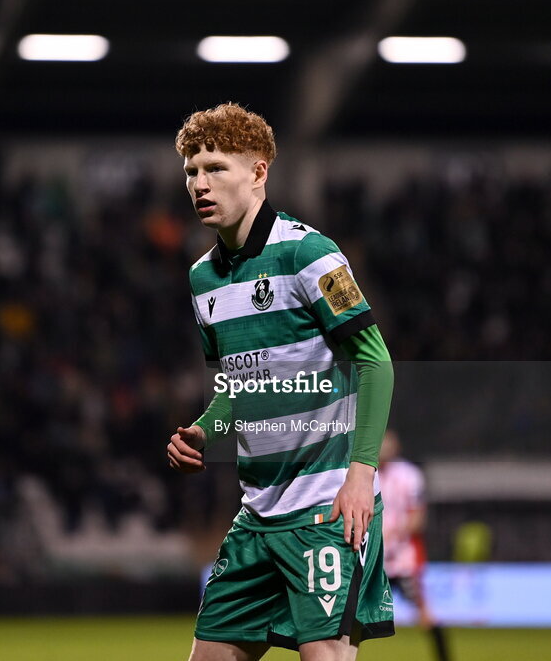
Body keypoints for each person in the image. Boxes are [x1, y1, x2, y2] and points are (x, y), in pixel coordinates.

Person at [167, 103, 395, 661]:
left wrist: (361, 474)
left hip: (327, 508)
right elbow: (240, 386)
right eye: (192, 171)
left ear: (258, 172)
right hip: (257, 514)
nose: (199, 184)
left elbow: (375, 361)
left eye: (215, 168)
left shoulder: (308, 253)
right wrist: (205, 429)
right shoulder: (202, 279)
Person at [378, 429, 450, 661]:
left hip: (404, 557)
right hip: (374, 556)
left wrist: (394, 535)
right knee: (355, 611)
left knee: (424, 612)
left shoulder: (409, 475)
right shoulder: (364, 474)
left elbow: (418, 517)